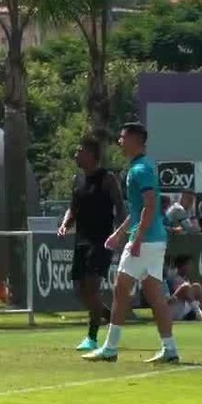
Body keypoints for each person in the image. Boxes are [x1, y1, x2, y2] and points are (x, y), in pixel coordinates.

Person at [83, 122, 180, 364]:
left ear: (136, 140)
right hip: (154, 239)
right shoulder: (141, 167)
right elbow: (139, 210)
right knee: (154, 295)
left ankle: (110, 348)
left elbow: (150, 205)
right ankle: (169, 348)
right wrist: (120, 233)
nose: (119, 141)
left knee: (121, 289)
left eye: (123, 137)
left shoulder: (140, 170)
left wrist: (135, 239)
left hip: (146, 241)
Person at [57, 134, 125, 352]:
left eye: (79, 150)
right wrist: (65, 224)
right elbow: (73, 207)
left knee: (91, 287)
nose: (76, 154)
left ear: (91, 154)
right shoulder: (77, 180)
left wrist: (121, 232)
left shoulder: (107, 178)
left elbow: (120, 206)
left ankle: (92, 338)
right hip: (81, 240)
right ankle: (105, 315)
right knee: (79, 290)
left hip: (101, 241)